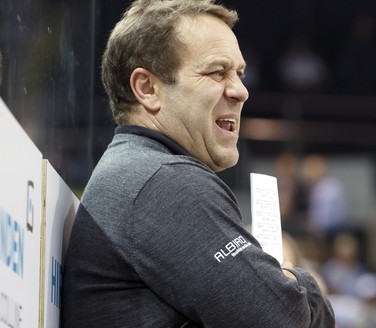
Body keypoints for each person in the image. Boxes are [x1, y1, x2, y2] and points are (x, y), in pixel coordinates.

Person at [61, 1, 335, 327]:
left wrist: (283, 284)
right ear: (147, 88)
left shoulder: (136, 171)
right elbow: (281, 319)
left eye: (239, 73)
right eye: (217, 72)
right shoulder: (164, 182)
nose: (241, 90)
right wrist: (300, 282)